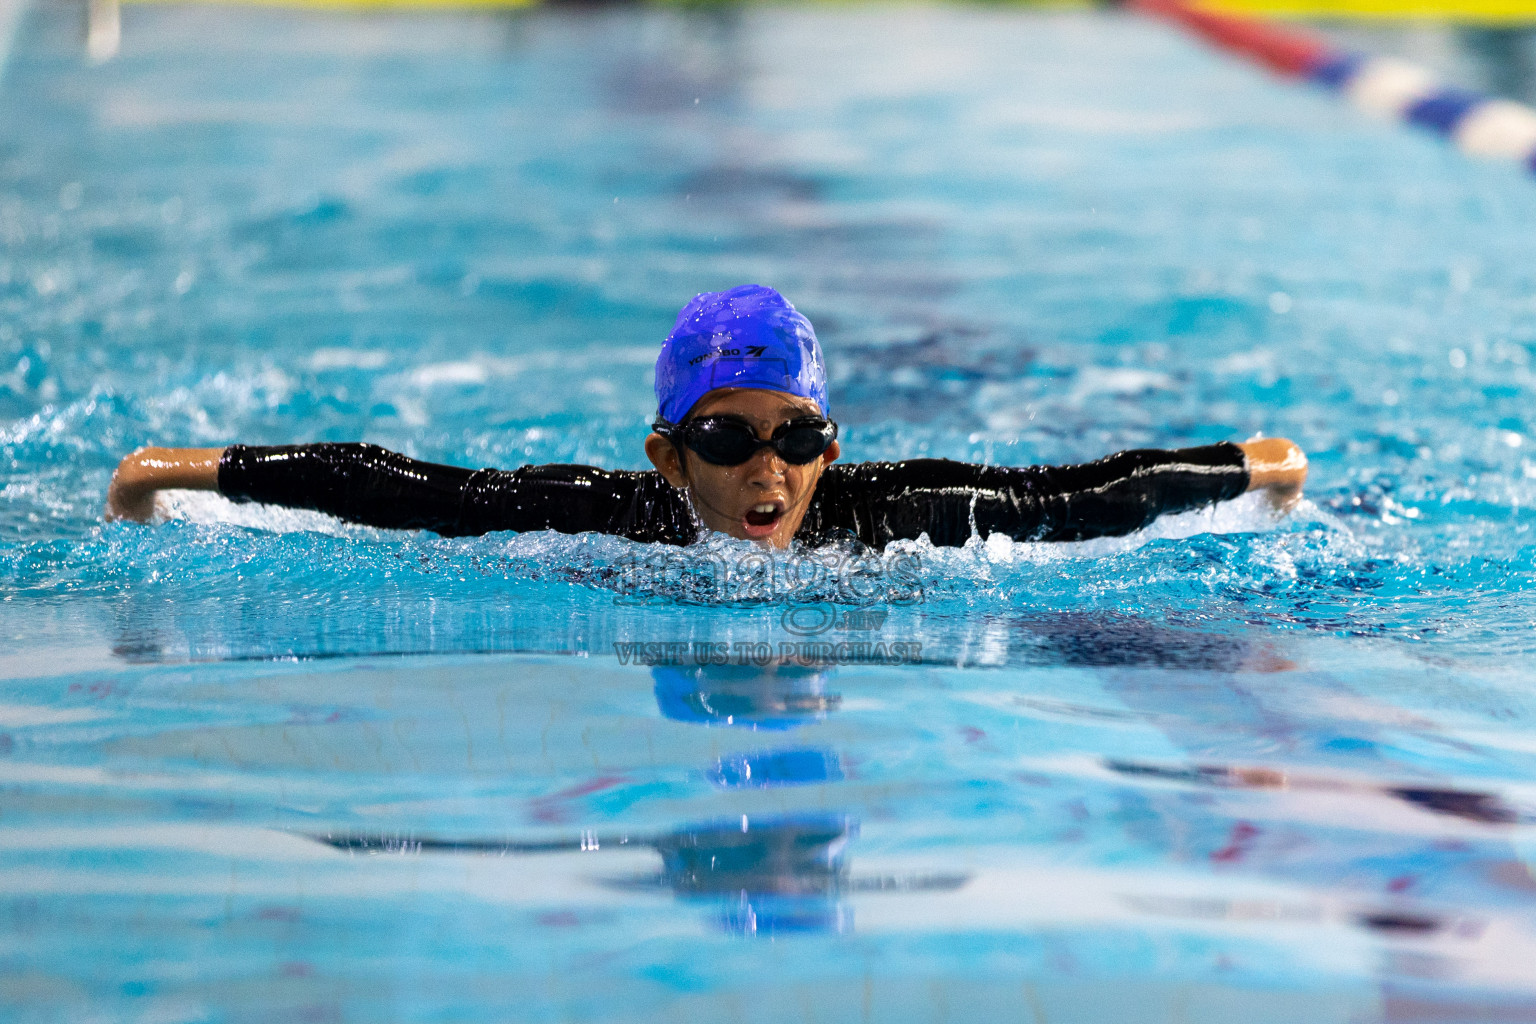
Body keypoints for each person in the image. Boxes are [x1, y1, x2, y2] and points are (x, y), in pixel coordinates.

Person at [106, 284, 1307, 550]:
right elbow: (415, 489)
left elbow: (1085, 494)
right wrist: (183, 469)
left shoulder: (892, 517)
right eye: (726, 440)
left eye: (796, 435)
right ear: (669, 455)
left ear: (828, 446)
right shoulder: (619, 515)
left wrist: (1252, 467)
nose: (767, 468)